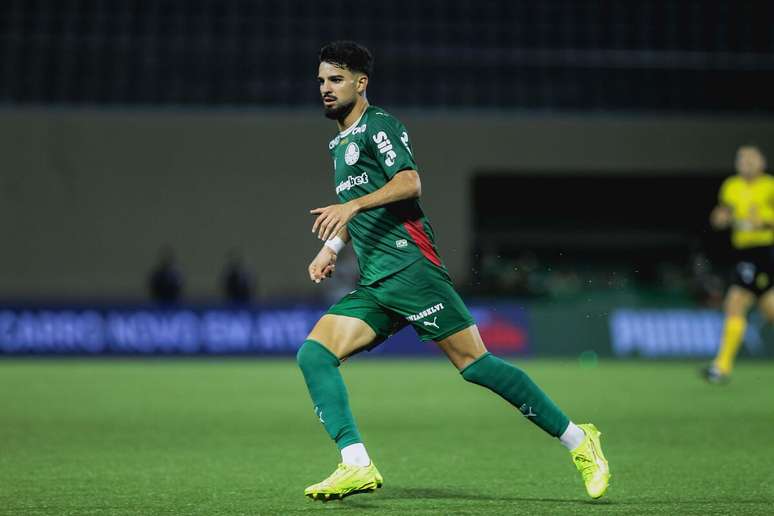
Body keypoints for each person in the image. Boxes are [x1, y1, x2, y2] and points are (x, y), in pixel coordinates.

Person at [297, 41, 610, 502]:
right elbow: (356, 210)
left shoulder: (379, 126)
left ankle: (581, 442)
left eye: (336, 79)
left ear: (361, 83)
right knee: (314, 354)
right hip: (378, 282)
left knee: (475, 365)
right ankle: (356, 464)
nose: (325, 88)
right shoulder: (339, 142)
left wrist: (352, 206)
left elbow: (409, 182)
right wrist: (332, 247)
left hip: (411, 269)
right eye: (322, 79)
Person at [703, 145, 774, 383]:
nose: (745, 162)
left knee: (736, 300)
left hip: (765, 251)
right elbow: (721, 215)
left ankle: (721, 366)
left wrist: (764, 222)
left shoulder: (770, 185)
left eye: (750, 158)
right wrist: (720, 218)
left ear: (762, 162)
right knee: (767, 308)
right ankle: (721, 366)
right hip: (745, 253)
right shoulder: (731, 186)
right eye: (741, 158)